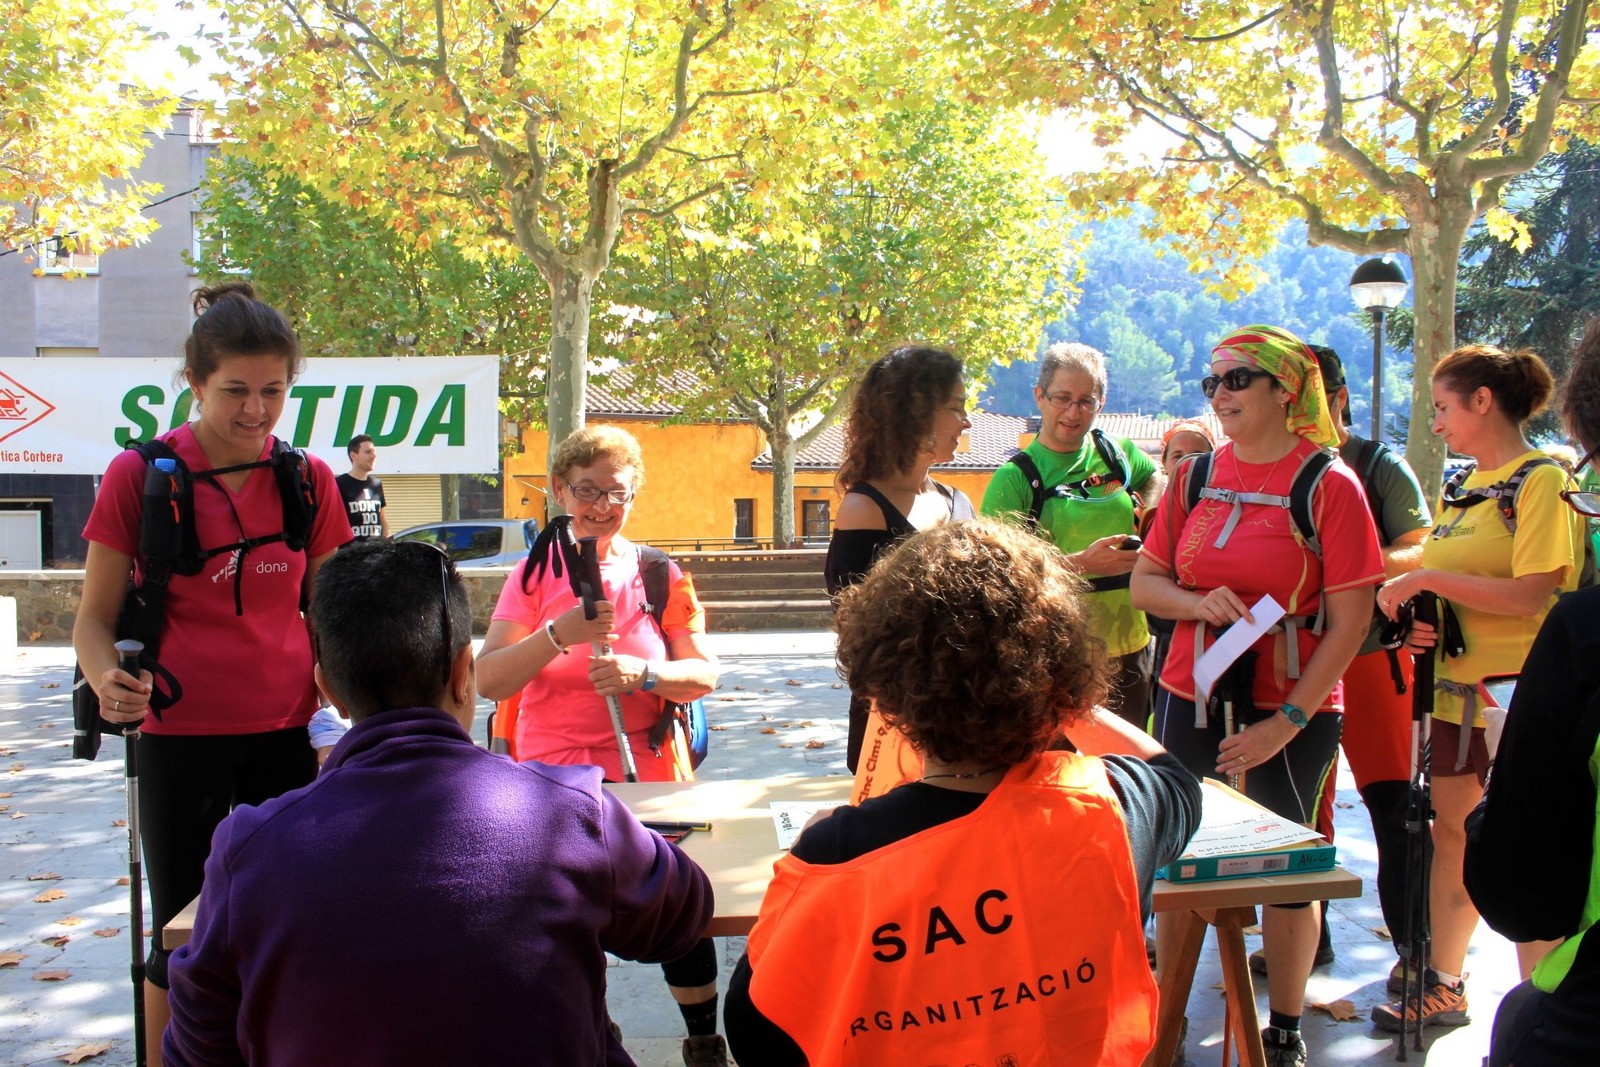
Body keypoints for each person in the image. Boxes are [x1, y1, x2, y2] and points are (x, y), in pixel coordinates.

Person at [162, 540, 713, 1066]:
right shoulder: (570, 812)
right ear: (461, 672)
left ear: (326, 689)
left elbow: (197, 1046)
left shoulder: (250, 846)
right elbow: (681, 917)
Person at [724, 519, 1203, 1065]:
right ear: (1062, 676)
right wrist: (1060, 696)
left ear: (884, 692)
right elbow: (1176, 781)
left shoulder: (838, 853)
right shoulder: (1112, 807)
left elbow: (757, 1028)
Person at [72, 283, 352, 1062]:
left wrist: (349, 719)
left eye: (274, 391)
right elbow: (92, 619)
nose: (256, 410)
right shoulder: (139, 475)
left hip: (287, 734)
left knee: (287, 922)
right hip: (175, 733)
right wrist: (106, 678)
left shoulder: (308, 478)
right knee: (182, 932)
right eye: (234, 390)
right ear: (194, 383)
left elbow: (334, 619)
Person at [1132, 324, 1383, 1067]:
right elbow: (1146, 582)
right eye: (1212, 382)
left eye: (1238, 379)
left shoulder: (1331, 485)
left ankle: (1285, 1028)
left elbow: (1351, 620)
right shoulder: (1193, 477)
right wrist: (1194, 602)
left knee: (1289, 872)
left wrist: (1288, 722)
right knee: (1178, 862)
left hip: (1291, 706)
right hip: (1190, 694)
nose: (1221, 394)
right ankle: (1169, 1022)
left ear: (1285, 388)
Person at [476, 424, 728, 1066]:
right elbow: (490, 678)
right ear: (560, 490)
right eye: (587, 489)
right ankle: (594, 1038)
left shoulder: (659, 574)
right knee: (566, 924)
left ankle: (704, 1041)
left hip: (650, 779)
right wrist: (558, 634)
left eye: (617, 492)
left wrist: (644, 674)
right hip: (550, 787)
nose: (602, 506)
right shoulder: (534, 575)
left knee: (677, 912)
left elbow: (703, 675)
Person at [1373, 343, 1586, 1032]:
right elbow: (1460, 585)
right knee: (1453, 837)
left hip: (1522, 699)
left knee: (1529, 844)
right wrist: (1423, 621)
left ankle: (1543, 1003)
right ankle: (1444, 983)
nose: (1436, 423)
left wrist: (1427, 579)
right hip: (1454, 696)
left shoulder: (1542, 482)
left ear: (1483, 401)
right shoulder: (1463, 485)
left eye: (1442, 407)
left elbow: (1531, 594)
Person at [1250, 346, 1431, 982]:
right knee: (1301, 811)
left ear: (1340, 397)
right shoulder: (1268, 466)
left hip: (1375, 658)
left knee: (1395, 805)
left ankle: (1419, 956)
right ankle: (1307, 942)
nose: (1301, 407)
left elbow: (1423, 547)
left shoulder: (1378, 465)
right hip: (1298, 662)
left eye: (1313, 394)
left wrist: (1348, 569)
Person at [1466, 316, 1600, 1066]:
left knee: (1523, 1020)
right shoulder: (1466, 484)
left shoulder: (1585, 635)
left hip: (1583, 1005)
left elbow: (1521, 891)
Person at [983, 342, 1163, 729]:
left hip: (1131, 646)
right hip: (1060, 655)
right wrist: (1080, 564)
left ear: (1101, 403)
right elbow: (996, 576)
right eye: (1062, 398)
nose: (1073, 412)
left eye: (1086, 401)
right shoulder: (1014, 478)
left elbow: (1153, 476)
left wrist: (1146, 521)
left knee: (1127, 761)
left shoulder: (1116, 452)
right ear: (1040, 396)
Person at [823, 345, 974, 774]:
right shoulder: (864, 508)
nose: (966, 421)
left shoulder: (958, 501)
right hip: (895, 725)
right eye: (956, 407)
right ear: (916, 412)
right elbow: (862, 636)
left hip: (965, 720)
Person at [335, 433, 388, 540]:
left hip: (376, 549)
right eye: (368, 452)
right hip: (350, 549)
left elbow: (382, 517)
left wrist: (387, 538)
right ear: (353, 456)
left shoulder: (377, 484)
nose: (373, 456)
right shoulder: (339, 483)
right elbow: (332, 520)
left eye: (374, 452)